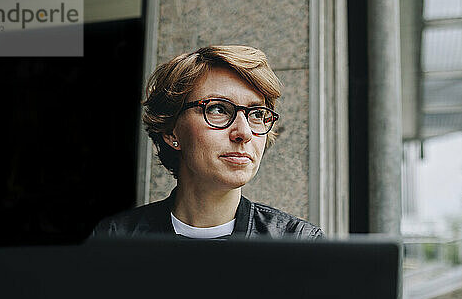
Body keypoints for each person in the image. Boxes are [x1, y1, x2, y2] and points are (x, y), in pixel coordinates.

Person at [93, 45, 323, 239]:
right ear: (172, 132)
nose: (244, 132)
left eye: (256, 114)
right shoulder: (115, 239)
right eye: (218, 109)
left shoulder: (298, 243)